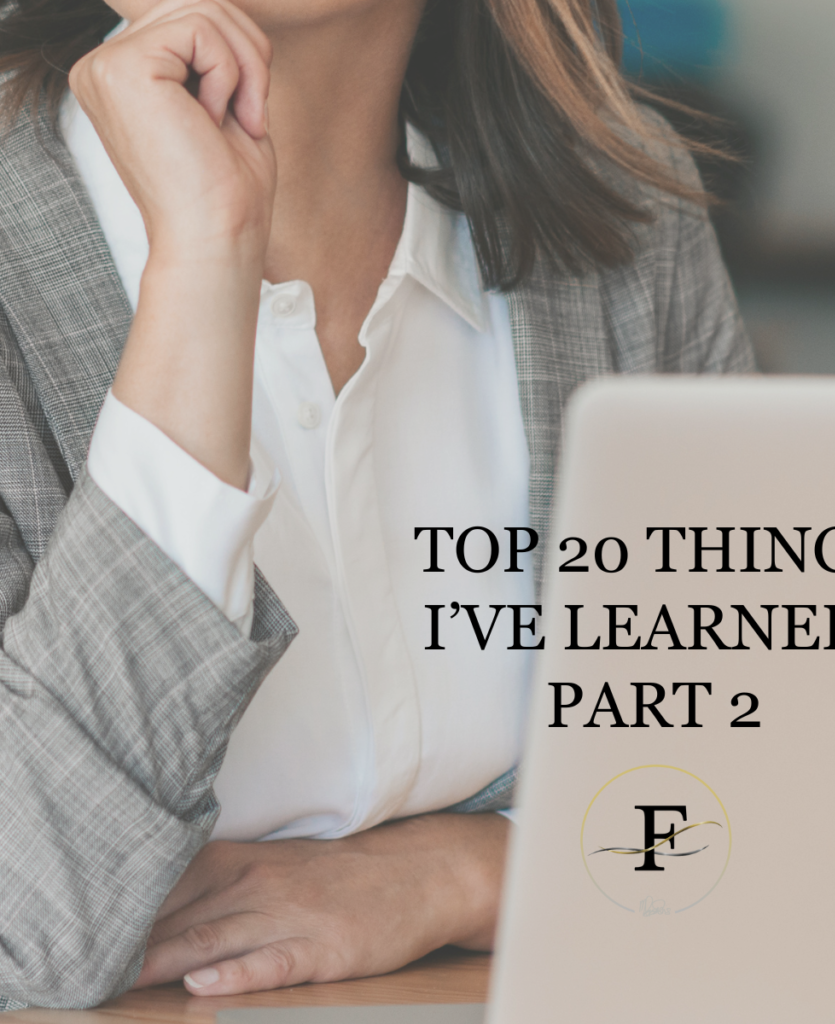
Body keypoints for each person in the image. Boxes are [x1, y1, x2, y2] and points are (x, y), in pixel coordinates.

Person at [0, 0, 753, 1009]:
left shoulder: (626, 212)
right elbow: (31, 916)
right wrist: (203, 261)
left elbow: (762, 784)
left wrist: (468, 874)